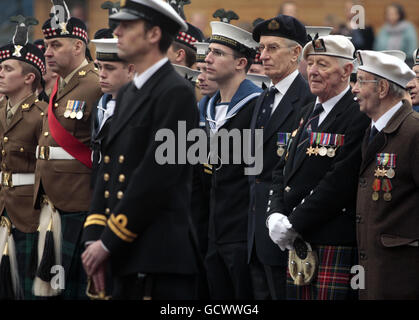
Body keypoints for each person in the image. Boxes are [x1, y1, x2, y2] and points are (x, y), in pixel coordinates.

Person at [81, 0, 200, 300]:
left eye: (127, 26)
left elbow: (158, 178)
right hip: (125, 253)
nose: (116, 31)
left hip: (158, 256)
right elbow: (107, 171)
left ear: (153, 35)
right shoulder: (130, 93)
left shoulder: (177, 93)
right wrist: (93, 237)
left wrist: (108, 241)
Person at [266, 35, 370, 300]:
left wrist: (293, 223)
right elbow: (282, 169)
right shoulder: (306, 112)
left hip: (332, 239)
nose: (312, 71)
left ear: (347, 70)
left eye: (323, 64)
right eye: (310, 63)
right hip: (297, 241)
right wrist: (275, 215)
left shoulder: (358, 114)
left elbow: (339, 182)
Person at [32, 0, 102, 298]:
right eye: (46, 44)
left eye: (55, 44)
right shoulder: (60, 86)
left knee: (73, 287)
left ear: (78, 46)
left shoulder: (95, 85)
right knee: (53, 286)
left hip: (79, 201)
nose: (46, 51)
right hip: (53, 201)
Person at [247, 15, 315, 300]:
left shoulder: (309, 98)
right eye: (261, 49)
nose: (263, 56)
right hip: (253, 226)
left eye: (272, 48)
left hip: (285, 225)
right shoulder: (264, 97)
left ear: (296, 53)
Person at [203, 18, 262, 300]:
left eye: (218, 53)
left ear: (241, 63)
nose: (207, 58)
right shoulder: (205, 109)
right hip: (209, 230)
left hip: (242, 232)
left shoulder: (257, 107)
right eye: (209, 51)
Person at [352, 50, 418, 299]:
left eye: (360, 81)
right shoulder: (372, 131)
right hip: (374, 275)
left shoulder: (413, 132)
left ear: (381, 89)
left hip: (403, 278)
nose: (354, 90)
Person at [0, 17, 48, 300]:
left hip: (28, 212)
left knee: (28, 290)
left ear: (29, 78)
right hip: (1, 206)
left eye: (7, 68)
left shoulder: (42, 115)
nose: (1, 73)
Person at [90, 37, 134, 188]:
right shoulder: (100, 105)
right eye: (99, 67)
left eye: (109, 68)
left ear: (130, 69)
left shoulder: (139, 108)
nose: (101, 74)